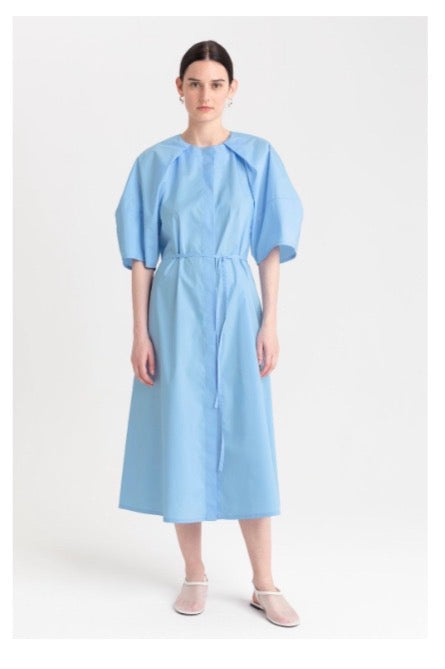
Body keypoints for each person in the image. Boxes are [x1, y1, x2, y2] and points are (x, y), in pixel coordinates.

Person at [115, 40, 304, 628]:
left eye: (216, 84)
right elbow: (142, 256)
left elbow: (269, 244)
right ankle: (194, 573)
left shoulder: (257, 157)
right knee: (182, 432)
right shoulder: (155, 163)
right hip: (175, 306)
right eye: (194, 83)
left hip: (237, 303)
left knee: (249, 436)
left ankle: (264, 583)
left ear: (232, 90)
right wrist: (140, 333)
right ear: (179, 88)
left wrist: (270, 321)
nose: (205, 94)